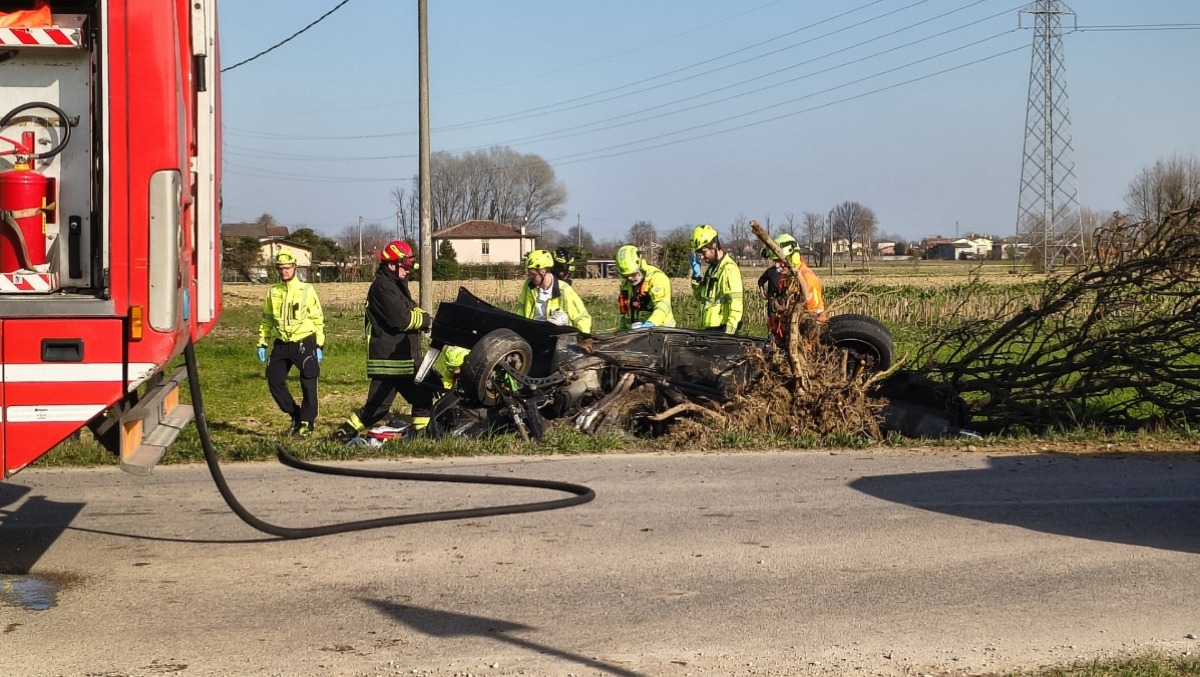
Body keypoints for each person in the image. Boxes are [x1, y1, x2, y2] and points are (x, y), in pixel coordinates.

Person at [331, 240, 434, 442]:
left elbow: (412, 309)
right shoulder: (382, 288)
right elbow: (403, 319)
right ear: (391, 264)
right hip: (389, 362)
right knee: (377, 409)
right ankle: (341, 435)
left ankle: (422, 437)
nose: (407, 272)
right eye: (404, 267)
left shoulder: (396, 286)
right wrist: (427, 320)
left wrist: (426, 318)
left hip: (401, 361)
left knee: (422, 397)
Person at [256, 250, 325, 437]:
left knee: (308, 383)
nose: (284, 271)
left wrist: (319, 344)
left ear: (294, 268)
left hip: (304, 341)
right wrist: (262, 343)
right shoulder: (273, 292)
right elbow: (267, 320)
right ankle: (295, 415)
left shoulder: (306, 290)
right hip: (282, 343)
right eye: (280, 268)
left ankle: (307, 423)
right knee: (274, 381)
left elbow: (317, 318)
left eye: (287, 268)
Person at [759, 233, 826, 342]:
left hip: (803, 343)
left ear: (793, 257)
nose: (776, 266)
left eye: (779, 261)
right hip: (786, 339)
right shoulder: (787, 277)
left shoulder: (807, 279)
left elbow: (815, 321)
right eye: (775, 261)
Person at [518, 249, 592, 333]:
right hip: (533, 333)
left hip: (557, 337)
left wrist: (584, 337)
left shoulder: (564, 290)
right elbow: (521, 311)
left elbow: (581, 317)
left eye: (532, 274)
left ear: (542, 271)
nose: (530, 277)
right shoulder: (528, 286)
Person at [689, 224, 743, 334]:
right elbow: (699, 296)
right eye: (699, 254)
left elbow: (735, 304)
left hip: (722, 331)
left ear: (714, 245)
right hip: (709, 330)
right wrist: (696, 276)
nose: (702, 257)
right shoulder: (712, 269)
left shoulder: (728, 269)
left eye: (704, 252)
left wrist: (729, 334)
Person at [614, 244, 675, 330]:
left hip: (661, 333)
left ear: (639, 265)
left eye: (633, 274)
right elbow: (626, 314)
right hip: (635, 335)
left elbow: (662, 306)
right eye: (625, 276)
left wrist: (650, 324)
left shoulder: (657, 278)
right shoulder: (626, 284)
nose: (630, 278)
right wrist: (620, 333)